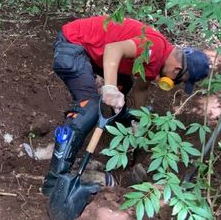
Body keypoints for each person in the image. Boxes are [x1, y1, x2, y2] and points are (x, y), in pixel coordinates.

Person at [42, 15, 210, 196]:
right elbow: (113, 49)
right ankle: (55, 180)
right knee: (88, 105)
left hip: (89, 50)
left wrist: (140, 122)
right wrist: (110, 88)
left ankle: (107, 147)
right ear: (177, 70)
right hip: (73, 43)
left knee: (125, 83)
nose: (172, 82)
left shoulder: (157, 62)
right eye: (179, 80)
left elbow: (141, 90)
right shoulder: (155, 48)